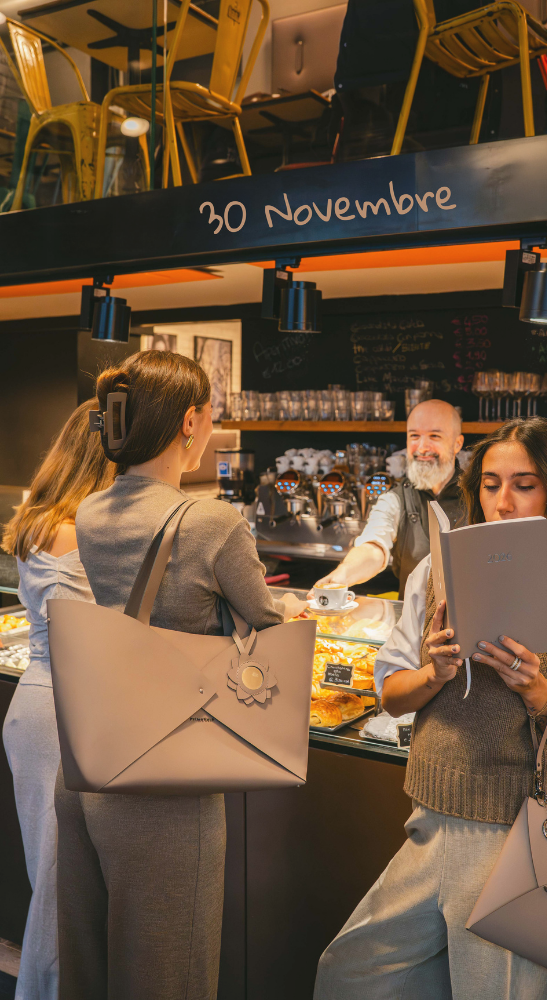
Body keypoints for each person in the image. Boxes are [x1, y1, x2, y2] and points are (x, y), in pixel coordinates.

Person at [314, 417, 547, 997]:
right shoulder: (437, 571)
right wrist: (435, 673)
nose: (503, 501)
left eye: (525, 483)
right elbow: (389, 694)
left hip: (516, 829)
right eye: (491, 484)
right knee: (351, 973)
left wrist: (536, 690)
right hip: (428, 820)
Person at [57, 352, 304, 999]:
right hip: (168, 778)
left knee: (96, 964)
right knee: (173, 974)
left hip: (89, 763)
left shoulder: (90, 512)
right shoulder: (211, 520)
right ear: (189, 422)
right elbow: (267, 629)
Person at [0, 399, 110, 1000]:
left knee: (59, 884)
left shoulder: (41, 518)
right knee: (60, 892)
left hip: (39, 708)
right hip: (63, 713)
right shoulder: (77, 530)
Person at [314, 398, 466, 592]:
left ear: (457, 444)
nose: (422, 447)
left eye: (434, 436)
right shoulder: (395, 498)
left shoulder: (479, 495)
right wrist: (343, 574)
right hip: (413, 619)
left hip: (470, 617)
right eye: (414, 436)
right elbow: (373, 547)